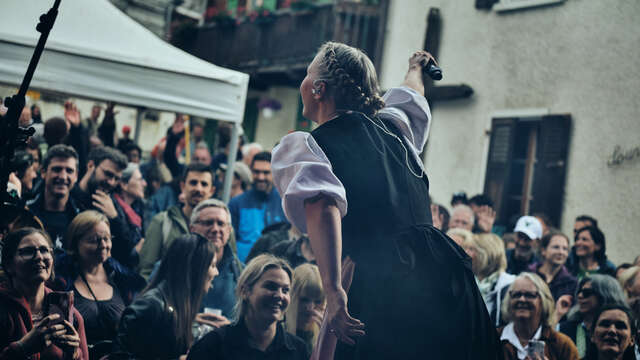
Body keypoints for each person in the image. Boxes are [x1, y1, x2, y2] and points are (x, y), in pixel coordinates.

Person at [271, 44, 499, 358]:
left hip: (380, 275)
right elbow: (411, 93)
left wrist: (335, 293)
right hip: (441, 271)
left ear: (318, 89)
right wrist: (415, 68)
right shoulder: (395, 129)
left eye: (307, 75)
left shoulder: (313, 146)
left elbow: (324, 208)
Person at [54, 211, 146, 359]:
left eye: (107, 239)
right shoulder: (61, 283)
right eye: (94, 240)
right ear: (75, 243)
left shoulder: (122, 280)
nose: (103, 245)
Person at [188, 254, 310, 360]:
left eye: (285, 290)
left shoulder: (298, 350)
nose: (279, 295)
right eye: (270, 287)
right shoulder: (213, 346)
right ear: (245, 291)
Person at [117, 234, 218, 359]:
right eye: (212, 266)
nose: (216, 272)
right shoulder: (151, 306)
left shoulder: (180, 305)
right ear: (195, 268)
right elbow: (121, 356)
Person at [0, 228, 89, 360]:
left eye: (44, 250)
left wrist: (74, 354)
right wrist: (22, 348)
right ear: (8, 264)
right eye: (28, 251)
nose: (39, 257)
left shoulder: (70, 315)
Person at [138, 163, 215, 279]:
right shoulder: (162, 222)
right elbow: (145, 271)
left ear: (211, 191)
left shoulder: (220, 228)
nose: (198, 188)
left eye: (204, 184)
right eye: (193, 182)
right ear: (183, 186)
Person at [73, 146, 139, 268]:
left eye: (116, 179)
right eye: (108, 174)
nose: (111, 182)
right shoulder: (70, 197)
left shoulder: (112, 203)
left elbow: (127, 251)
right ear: (91, 165)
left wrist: (114, 218)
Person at [498, 272, 579, 360]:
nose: (521, 299)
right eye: (516, 295)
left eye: (529, 295)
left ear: (543, 301)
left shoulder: (561, 345)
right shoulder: (492, 338)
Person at [190, 199, 243, 320]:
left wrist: (230, 328)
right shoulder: (172, 266)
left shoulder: (242, 273)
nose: (215, 229)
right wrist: (187, 321)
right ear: (192, 229)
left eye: (221, 223)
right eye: (208, 223)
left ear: (229, 231)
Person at [229, 151, 287, 262]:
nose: (260, 177)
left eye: (266, 172)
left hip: (276, 268)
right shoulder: (236, 203)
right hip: (244, 269)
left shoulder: (285, 203)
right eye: (256, 172)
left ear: (274, 173)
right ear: (251, 171)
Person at [559, 275, 628, 358]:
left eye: (586, 293)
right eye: (579, 292)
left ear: (604, 295)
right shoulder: (563, 329)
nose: (580, 296)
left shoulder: (626, 330)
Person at [27, 144, 82, 248]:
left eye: (69, 171)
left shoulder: (81, 219)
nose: (62, 176)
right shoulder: (25, 214)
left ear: (76, 176)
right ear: (43, 172)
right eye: (57, 169)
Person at [474, 233, 516, 327]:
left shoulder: (510, 284)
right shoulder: (468, 283)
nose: (468, 253)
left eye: (473, 249)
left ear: (486, 254)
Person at [285, 263, 326, 354]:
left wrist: (326, 339)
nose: (310, 308)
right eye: (304, 300)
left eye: (318, 301)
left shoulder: (327, 333)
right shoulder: (277, 331)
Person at [528, 232, 577, 303]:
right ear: (543, 250)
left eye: (565, 249)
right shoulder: (529, 276)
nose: (561, 252)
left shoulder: (571, 283)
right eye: (556, 247)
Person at [114, 163, 147, 254]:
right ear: (124, 184)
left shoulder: (140, 207)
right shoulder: (112, 210)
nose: (144, 183)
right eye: (140, 180)